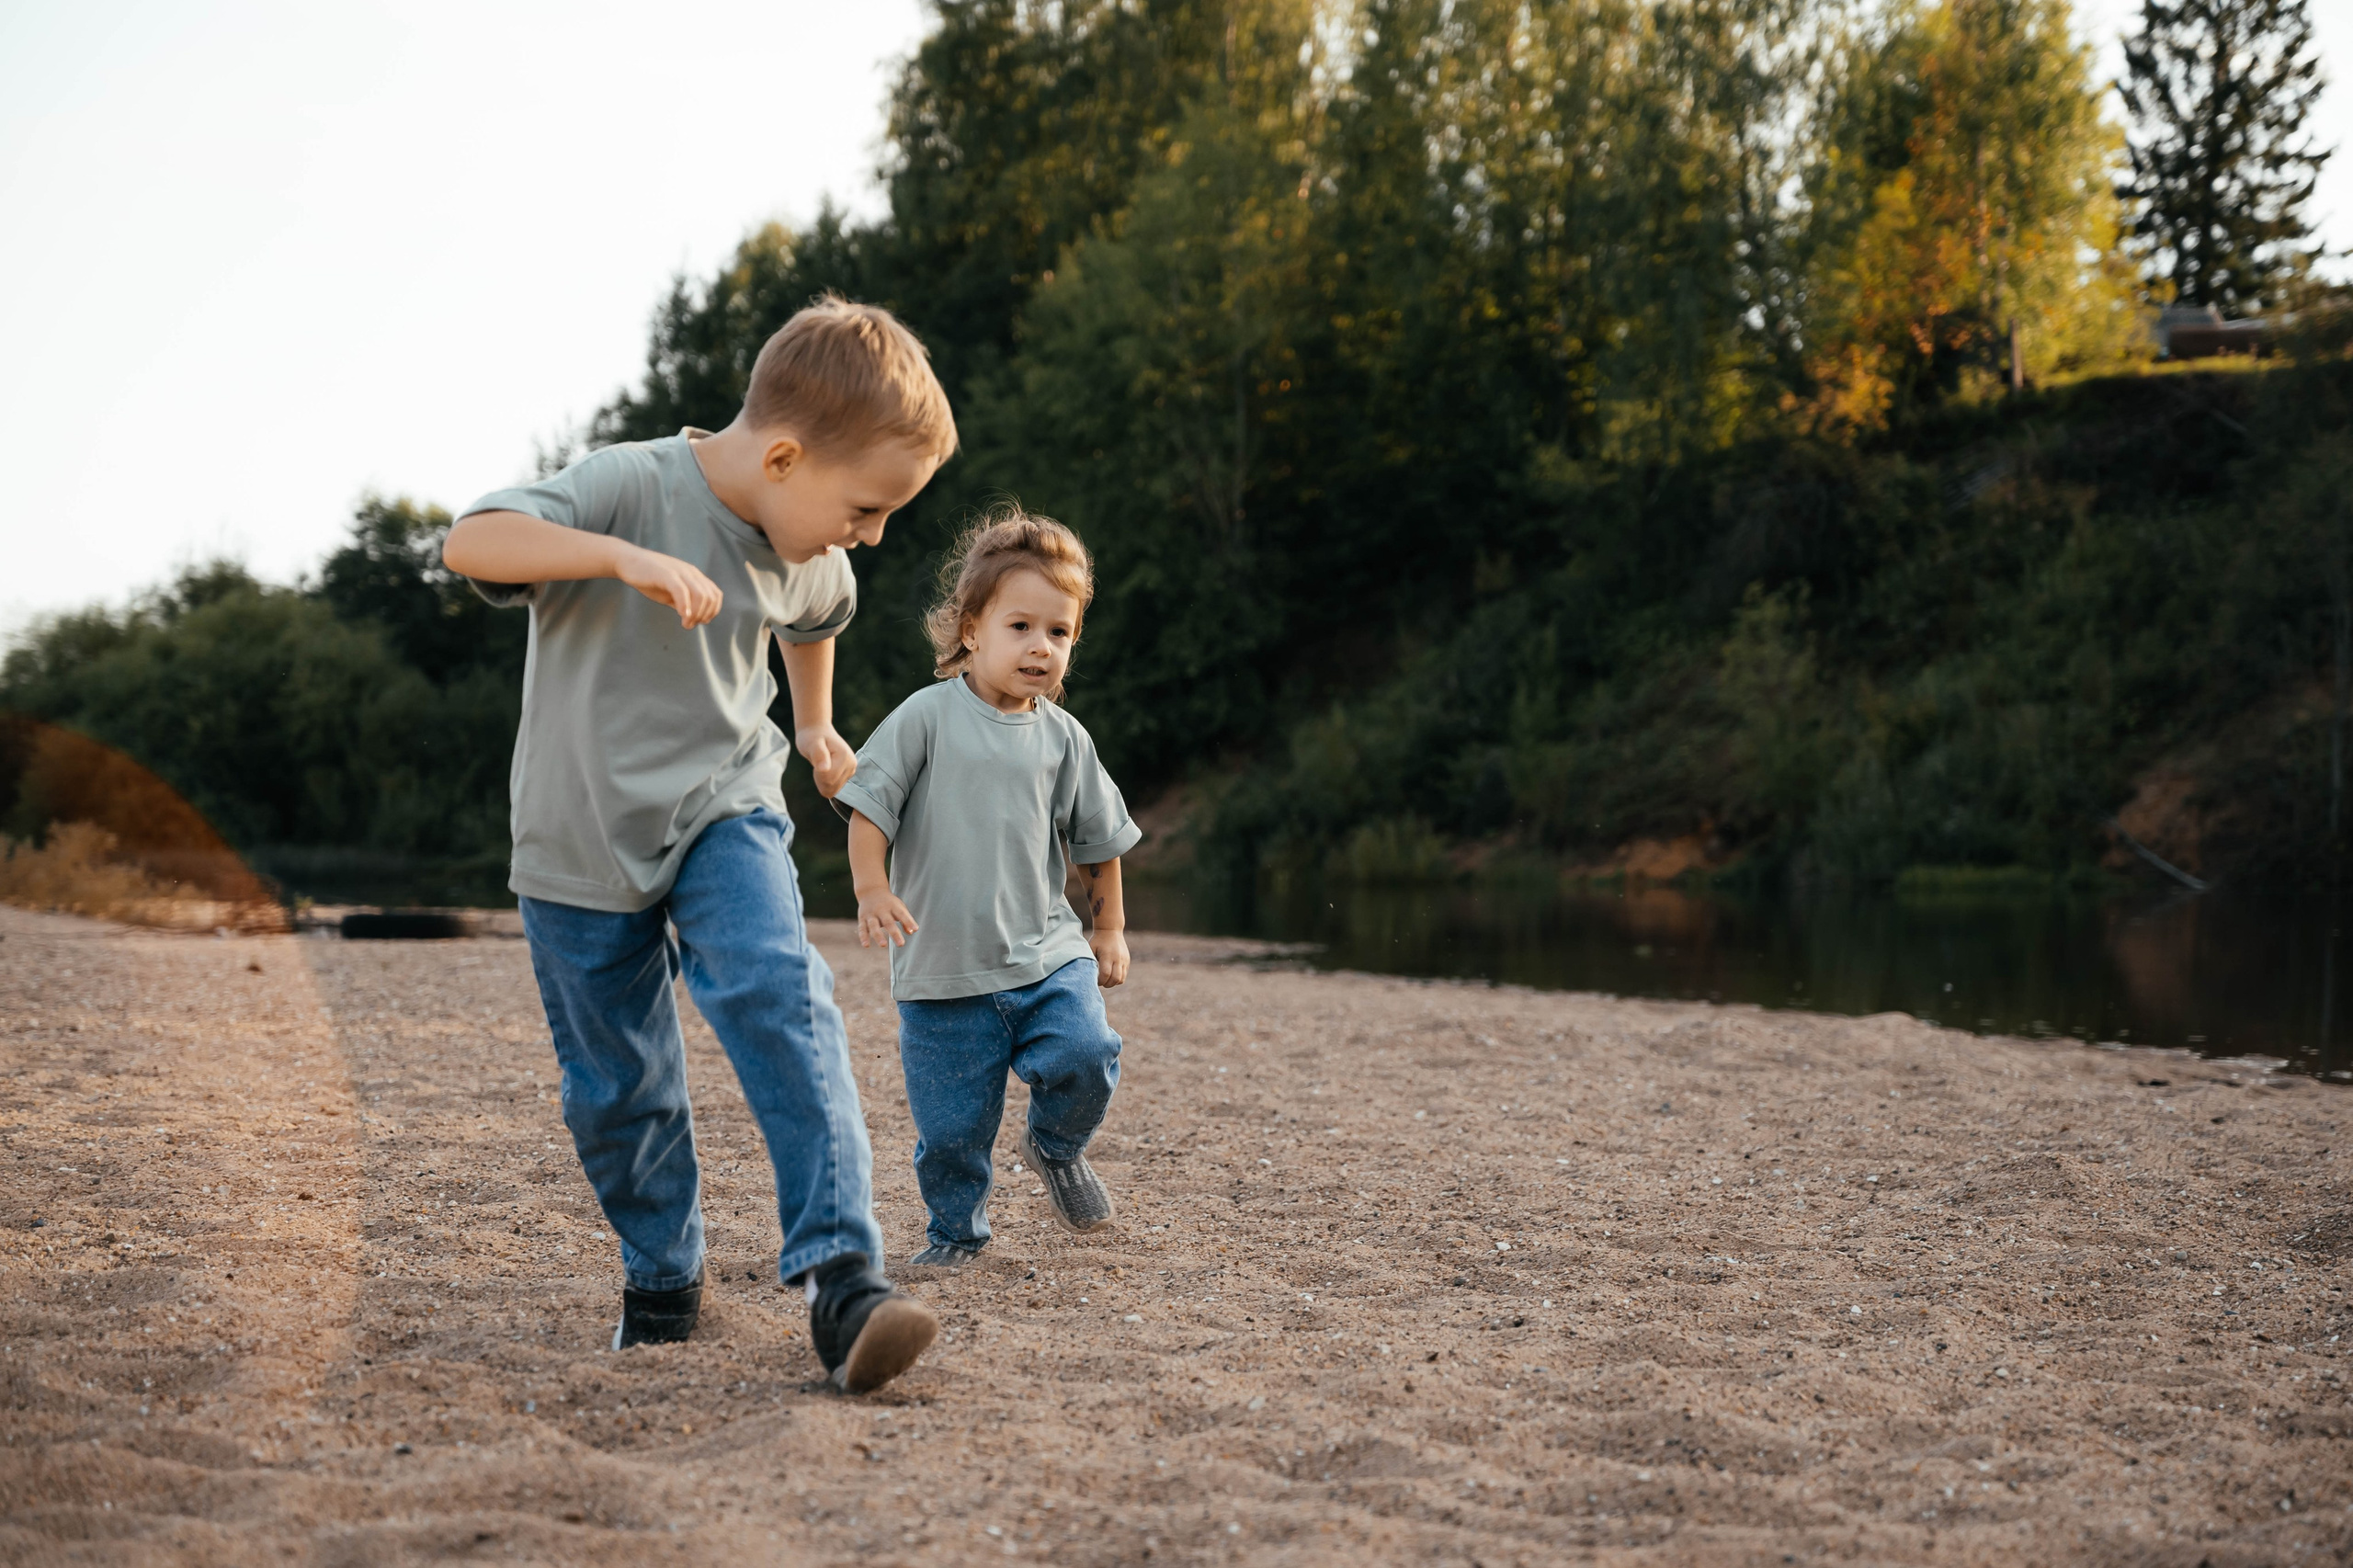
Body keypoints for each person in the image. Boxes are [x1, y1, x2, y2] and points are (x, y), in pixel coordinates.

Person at [439, 296, 949, 1393]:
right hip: (578, 840)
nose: (872, 534)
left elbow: (823, 611)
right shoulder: (628, 483)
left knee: (779, 989)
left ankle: (841, 1276)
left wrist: (810, 722)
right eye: (867, 507)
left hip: (726, 804)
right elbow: (471, 538)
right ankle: (664, 1275)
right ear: (781, 454)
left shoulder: (804, 540)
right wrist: (618, 562)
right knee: (616, 1085)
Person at [834, 509, 1140, 1269]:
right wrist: (871, 889)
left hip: (1046, 954)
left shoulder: (1066, 739)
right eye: (1021, 626)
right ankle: (955, 1236)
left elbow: (1099, 844)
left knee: (1089, 1049)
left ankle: (1055, 1145)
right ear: (972, 630)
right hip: (942, 973)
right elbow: (869, 810)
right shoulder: (926, 719)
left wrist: (1107, 930)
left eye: (1060, 632)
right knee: (952, 1132)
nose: (1042, 647)